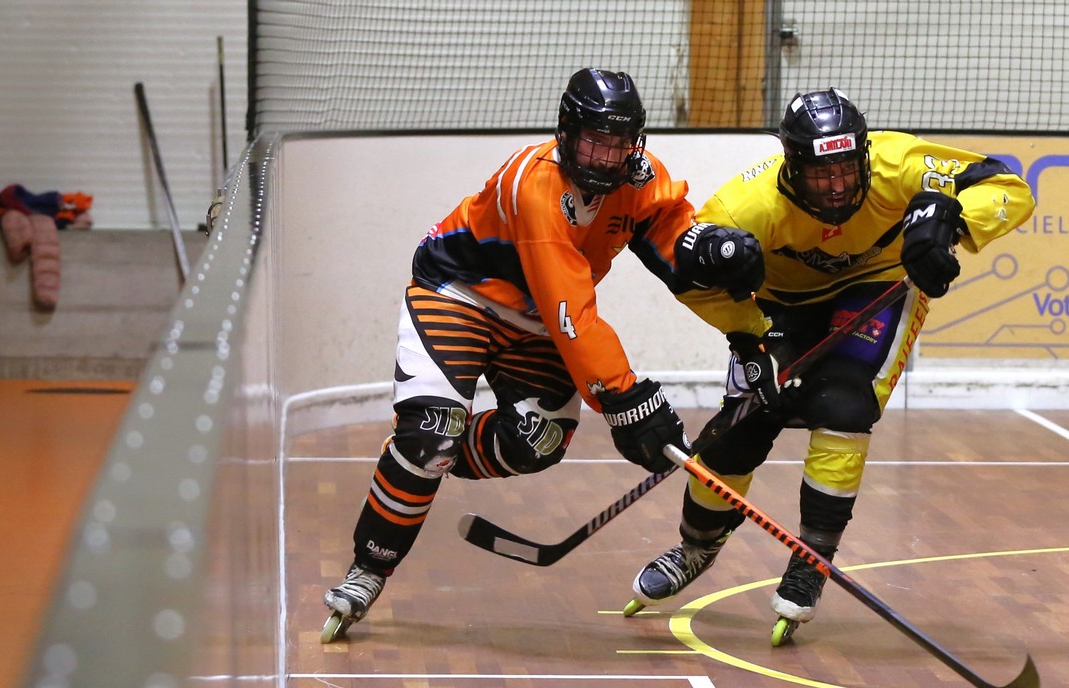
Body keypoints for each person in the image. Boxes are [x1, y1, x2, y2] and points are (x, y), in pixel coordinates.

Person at [320, 68, 764, 642]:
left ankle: (419, 458)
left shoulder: (639, 176)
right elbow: (569, 309)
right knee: (432, 432)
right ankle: (369, 566)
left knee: (537, 443)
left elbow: (668, 231)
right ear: (566, 133)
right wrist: (627, 398)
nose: (606, 157)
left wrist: (708, 249)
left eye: (619, 143)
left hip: (535, 324)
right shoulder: (535, 186)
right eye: (594, 141)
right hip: (459, 294)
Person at [625, 87, 1035, 644]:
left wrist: (953, 218)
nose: (837, 186)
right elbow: (689, 279)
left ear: (864, 155)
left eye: (846, 168)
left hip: (876, 290)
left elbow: (1010, 188)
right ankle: (696, 545)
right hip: (779, 306)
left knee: (844, 405)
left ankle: (812, 559)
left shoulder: (899, 162)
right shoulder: (745, 205)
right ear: (792, 168)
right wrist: (750, 338)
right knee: (738, 431)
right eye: (821, 174)